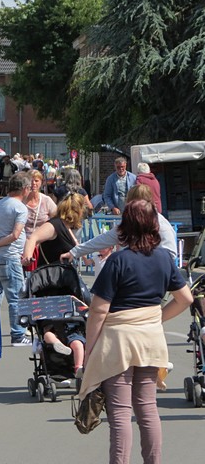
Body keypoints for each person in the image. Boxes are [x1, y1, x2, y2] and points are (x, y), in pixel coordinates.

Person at [78, 199, 192, 464]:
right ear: (154, 224)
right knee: (147, 407)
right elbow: (185, 299)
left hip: (118, 341)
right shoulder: (164, 258)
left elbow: (98, 311)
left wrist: (90, 347)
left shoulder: (117, 261)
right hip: (150, 339)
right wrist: (156, 318)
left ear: (125, 225)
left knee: (119, 412)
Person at [22, 193, 86, 373]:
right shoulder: (55, 225)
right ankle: (63, 352)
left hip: (65, 286)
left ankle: (65, 355)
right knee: (51, 323)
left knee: (66, 324)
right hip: (49, 285)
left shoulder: (67, 228)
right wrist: (27, 256)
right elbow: (33, 238)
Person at [60, 184, 178, 263]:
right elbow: (103, 239)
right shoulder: (129, 223)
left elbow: (170, 254)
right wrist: (74, 252)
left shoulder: (161, 225)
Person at [0, 172, 31, 346]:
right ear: (24, 189)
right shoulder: (20, 208)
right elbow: (15, 234)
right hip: (9, 257)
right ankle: (18, 334)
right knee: (16, 297)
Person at [23, 170, 57, 239]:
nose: (33, 183)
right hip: (23, 241)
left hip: (42, 241)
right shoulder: (21, 201)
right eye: (30, 180)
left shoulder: (46, 200)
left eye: (36, 181)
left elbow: (57, 219)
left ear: (41, 182)